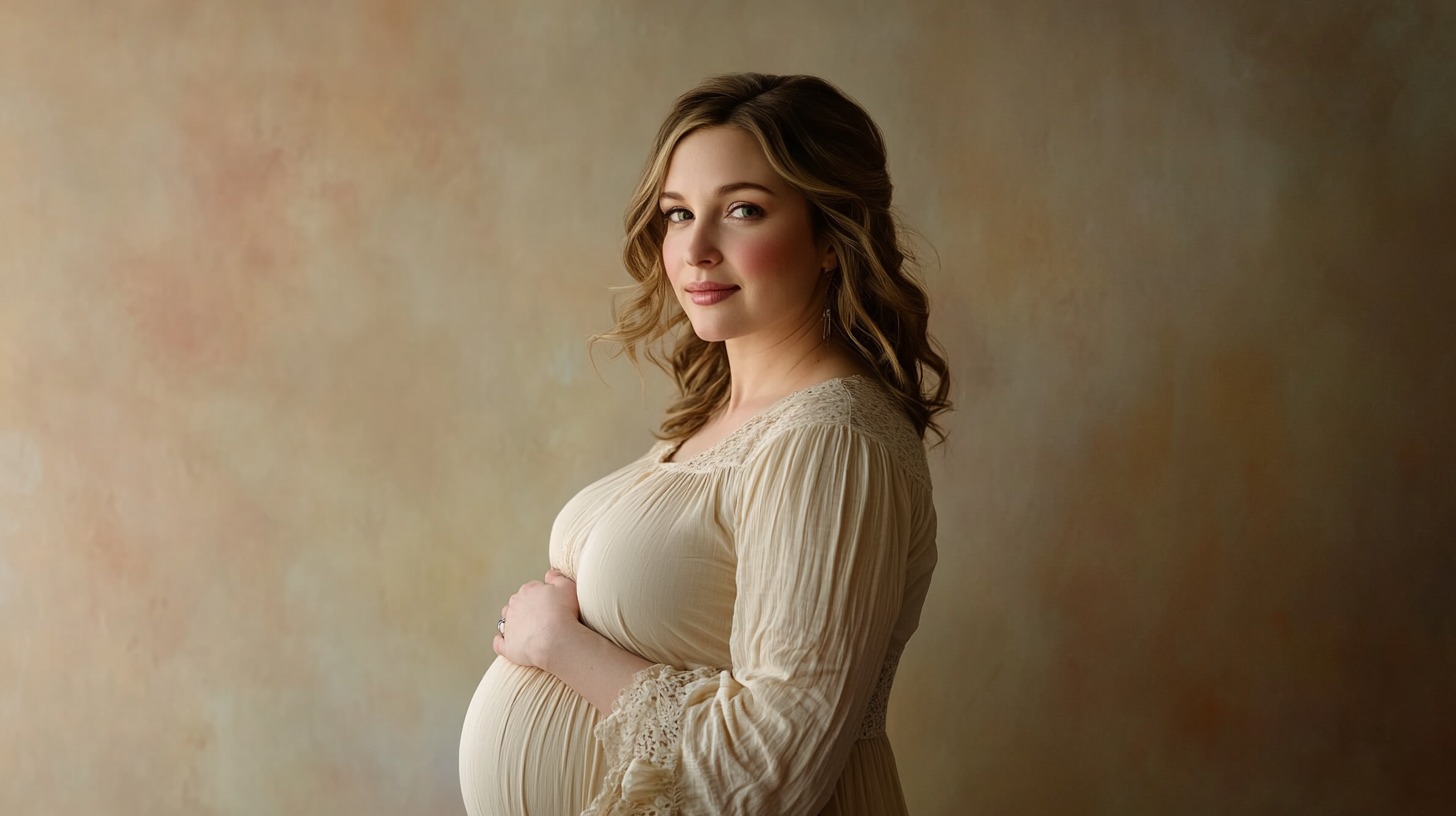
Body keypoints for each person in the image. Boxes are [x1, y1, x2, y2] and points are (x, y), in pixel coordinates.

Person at [459, 72, 950, 816]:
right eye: (678, 214)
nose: (695, 249)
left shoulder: (832, 441)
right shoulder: (718, 420)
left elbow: (777, 763)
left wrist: (560, 645)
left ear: (829, 236)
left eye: (742, 211)